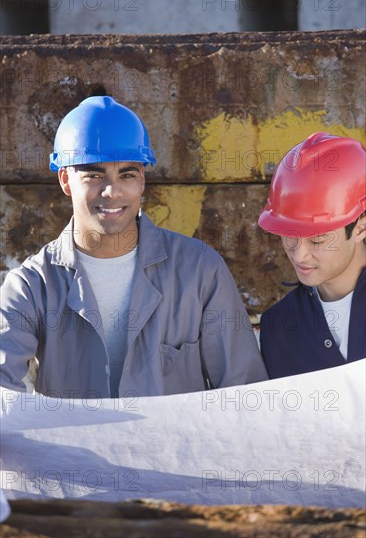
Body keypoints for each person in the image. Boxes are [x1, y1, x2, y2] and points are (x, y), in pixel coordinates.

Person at [0, 95, 267, 398]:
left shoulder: (200, 271)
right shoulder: (31, 286)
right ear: (65, 180)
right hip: (75, 447)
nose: (112, 191)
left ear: (142, 180)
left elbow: (244, 395)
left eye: (127, 174)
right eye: (94, 175)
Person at [258, 132, 366, 379]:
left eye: (317, 239)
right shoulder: (279, 328)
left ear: (361, 226)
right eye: (289, 235)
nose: (299, 255)